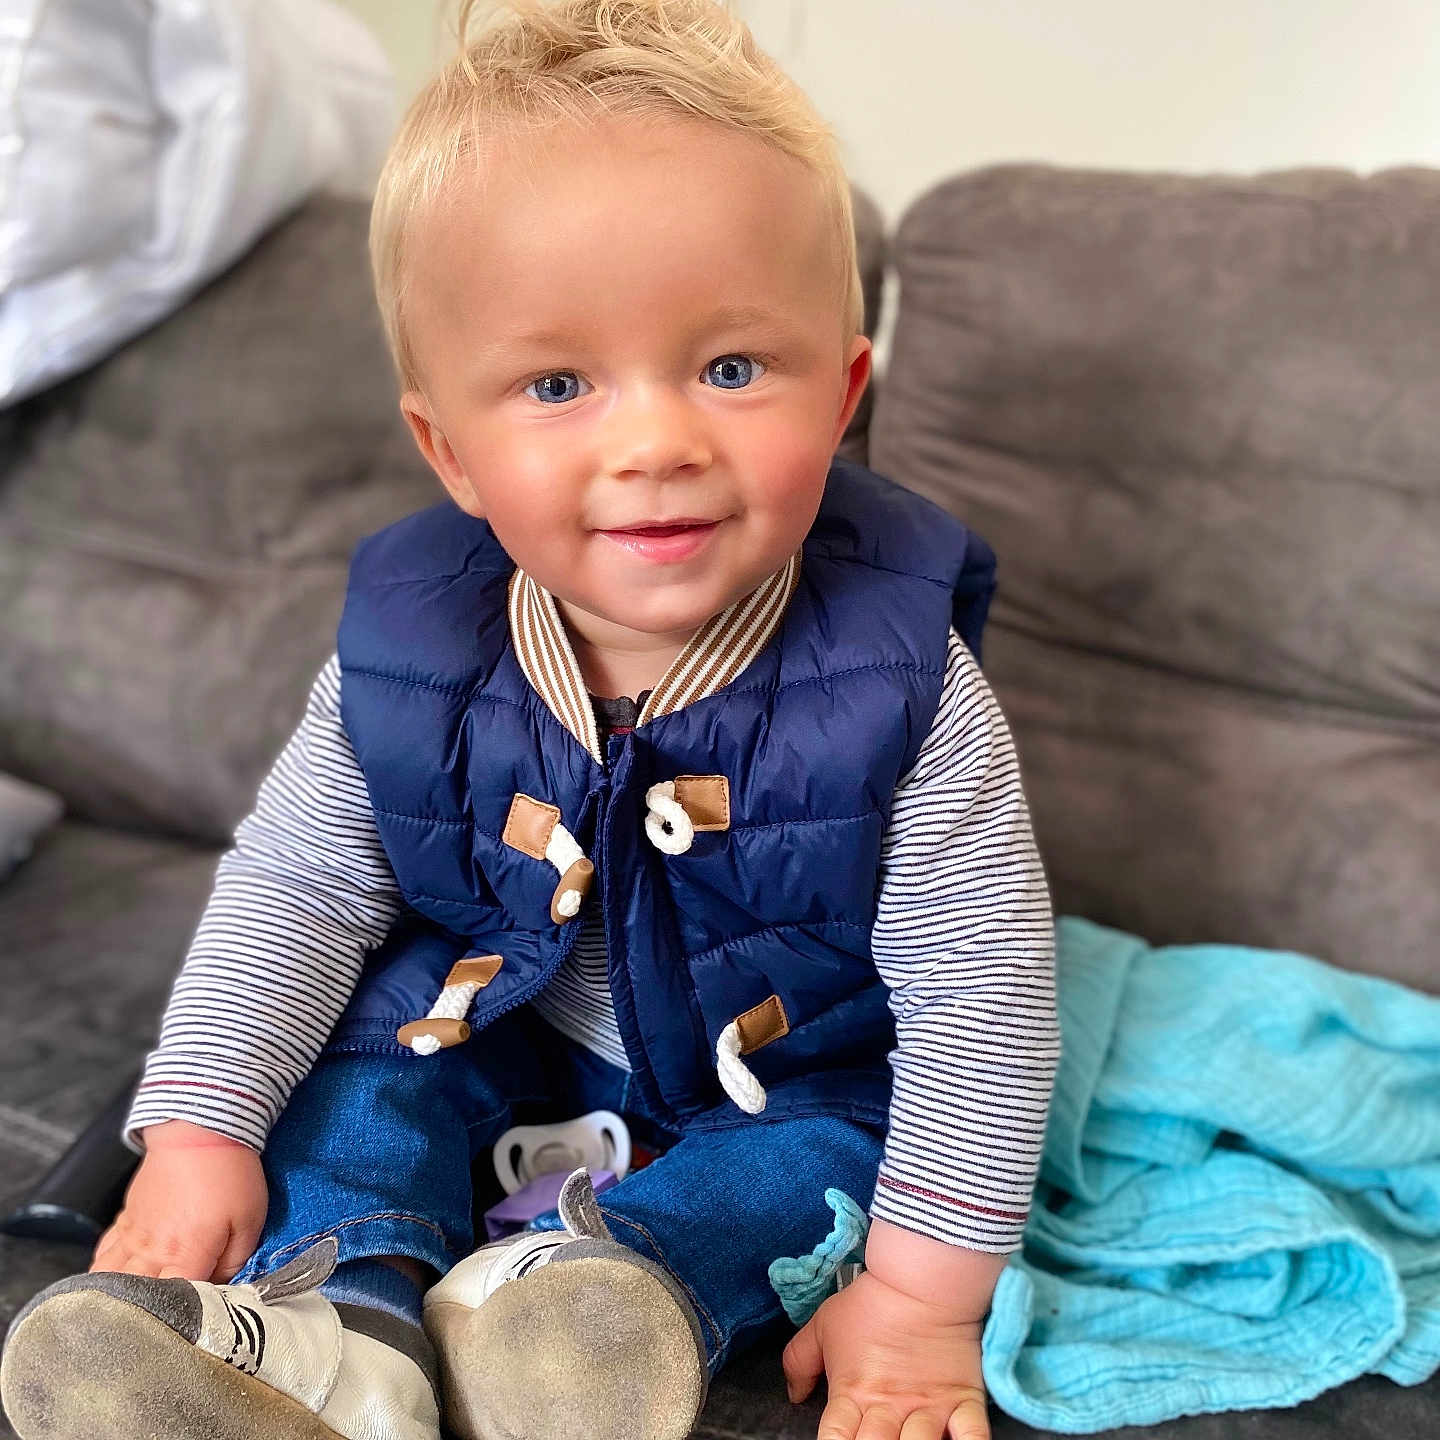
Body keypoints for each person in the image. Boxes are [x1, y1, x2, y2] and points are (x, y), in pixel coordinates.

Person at [0, 3, 1059, 1439]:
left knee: (822, 1165)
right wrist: (198, 1133)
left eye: (732, 368)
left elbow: (978, 1002)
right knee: (357, 1095)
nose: (656, 442)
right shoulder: (413, 650)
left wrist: (926, 1307)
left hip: (785, 1066)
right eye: (559, 385)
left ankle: (593, 1316)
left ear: (846, 395)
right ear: (451, 451)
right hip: (495, 1020)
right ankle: (341, 1329)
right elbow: (298, 887)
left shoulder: (905, 682)